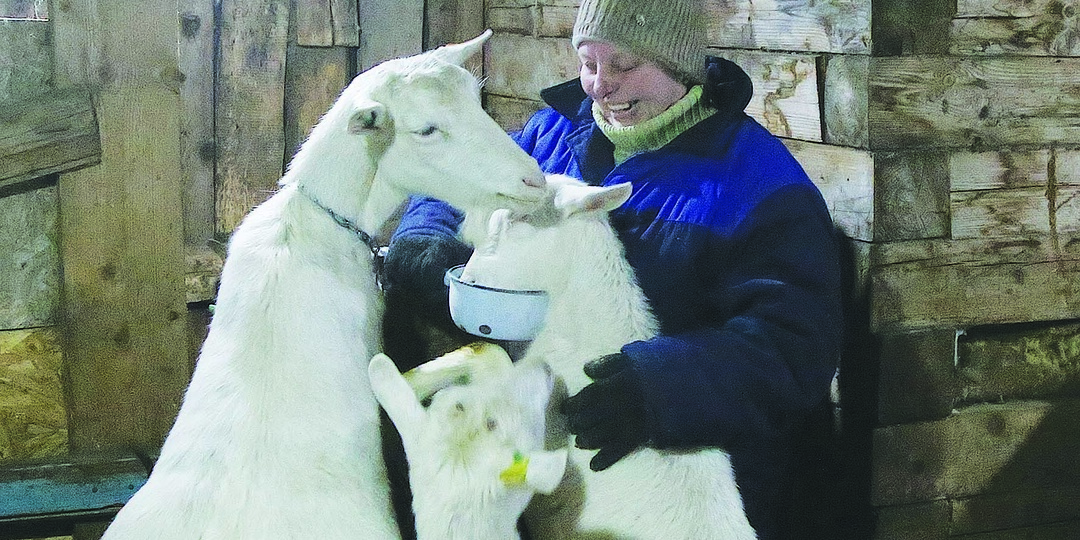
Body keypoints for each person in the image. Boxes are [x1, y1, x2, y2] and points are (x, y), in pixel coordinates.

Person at [380, 0, 844, 538]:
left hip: (680, 484)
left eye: (623, 65)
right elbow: (459, 184)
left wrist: (660, 387)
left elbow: (793, 343)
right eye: (588, 63)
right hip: (542, 464)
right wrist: (426, 241)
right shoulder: (552, 136)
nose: (600, 86)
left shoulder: (757, 184)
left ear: (678, 65)